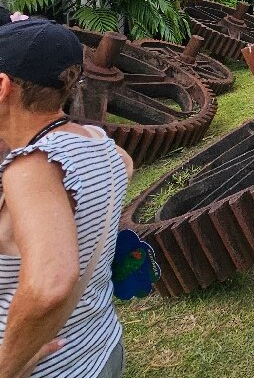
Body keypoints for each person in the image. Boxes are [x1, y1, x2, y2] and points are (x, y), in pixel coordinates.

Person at [0, 19, 132, 378]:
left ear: (2, 85)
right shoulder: (101, 145)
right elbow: (126, 166)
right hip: (100, 346)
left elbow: (51, 283)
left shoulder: (31, 168)